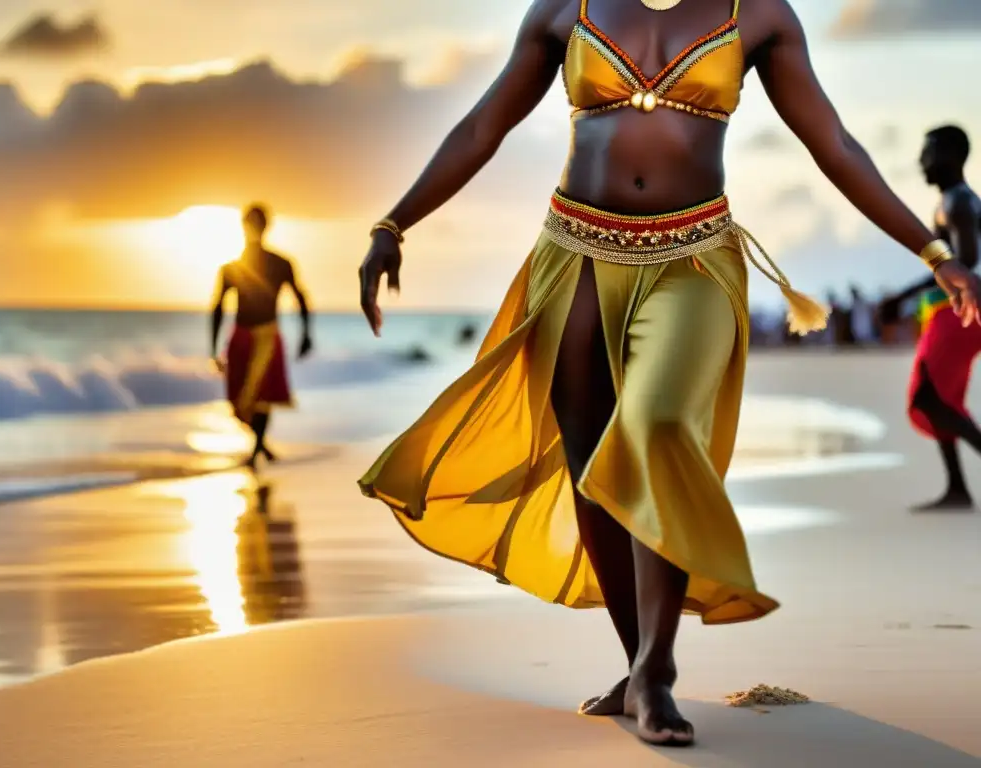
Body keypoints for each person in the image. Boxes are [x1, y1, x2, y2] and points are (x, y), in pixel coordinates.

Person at [356, 0, 981, 747]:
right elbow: (483, 127)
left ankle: (657, 672)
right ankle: (636, 662)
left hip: (693, 260)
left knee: (656, 428)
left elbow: (835, 146)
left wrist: (933, 253)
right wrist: (393, 224)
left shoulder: (760, 17)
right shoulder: (564, 9)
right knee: (592, 467)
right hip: (575, 254)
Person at [879, 126, 981, 511]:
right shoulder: (955, 200)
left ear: (951, 156)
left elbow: (966, 263)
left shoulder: (957, 201)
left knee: (928, 395)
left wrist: (903, 296)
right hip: (953, 309)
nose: (922, 161)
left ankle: (957, 486)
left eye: (929, 152)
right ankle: (957, 488)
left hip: (962, 310)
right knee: (943, 398)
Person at [211, 204, 313, 468]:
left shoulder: (280, 263)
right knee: (239, 399)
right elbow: (218, 306)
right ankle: (260, 443)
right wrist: (213, 347)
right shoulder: (231, 267)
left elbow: (300, 296)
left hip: (268, 334)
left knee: (263, 398)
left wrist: (306, 333)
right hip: (240, 335)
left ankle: (256, 449)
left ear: (266, 226)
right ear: (244, 226)